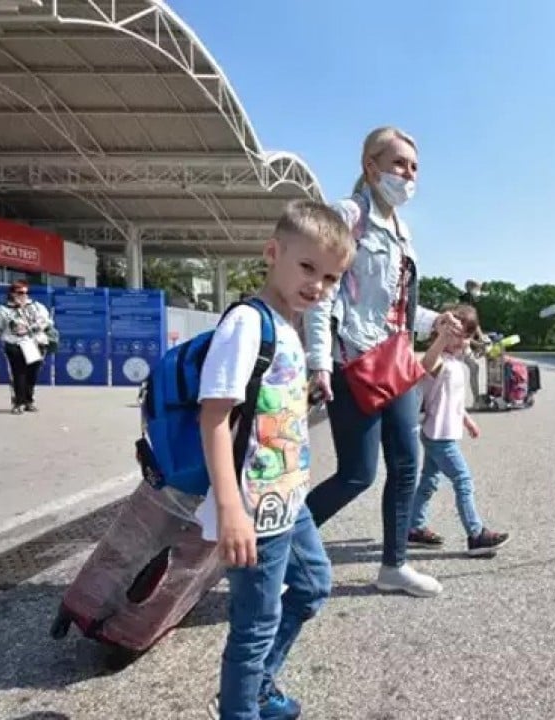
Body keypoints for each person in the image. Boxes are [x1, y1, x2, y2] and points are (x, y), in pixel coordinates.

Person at [197, 200, 354, 720]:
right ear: (273, 253)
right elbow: (213, 417)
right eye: (308, 267)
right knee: (255, 625)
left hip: (289, 499)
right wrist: (230, 510)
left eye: (331, 278)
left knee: (312, 586)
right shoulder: (248, 323)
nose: (318, 285)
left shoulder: (290, 326)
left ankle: (257, 689)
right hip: (252, 506)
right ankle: (241, 707)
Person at [304, 126, 462, 599]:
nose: (408, 175)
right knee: (357, 474)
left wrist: (436, 320)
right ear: (370, 167)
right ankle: (276, 540)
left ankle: (394, 566)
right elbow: (323, 294)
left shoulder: (402, 231)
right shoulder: (348, 215)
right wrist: (319, 362)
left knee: (407, 463)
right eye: (398, 164)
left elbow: (394, 304)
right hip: (354, 360)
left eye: (414, 167)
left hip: (394, 361)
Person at [407, 304, 511, 557]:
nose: (464, 341)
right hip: (439, 436)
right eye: (459, 334)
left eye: (467, 335)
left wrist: (467, 420)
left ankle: (414, 527)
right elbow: (425, 364)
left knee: (429, 482)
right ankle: (476, 534)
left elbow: (451, 400)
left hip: (442, 433)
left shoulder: (455, 362)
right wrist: (443, 337)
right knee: (463, 480)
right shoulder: (439, 359)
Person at [0, 279, 54, 414]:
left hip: (32, 343)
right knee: (18, 373)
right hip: (13, 343)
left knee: (32, 373)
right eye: (20, 292)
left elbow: (46, 321)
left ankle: (28, 400)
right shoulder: (4, 309)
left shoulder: (35, 306)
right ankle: (18, 403)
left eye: (26, 292)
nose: (24, 295)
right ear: (12, 293)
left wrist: (34, 326)